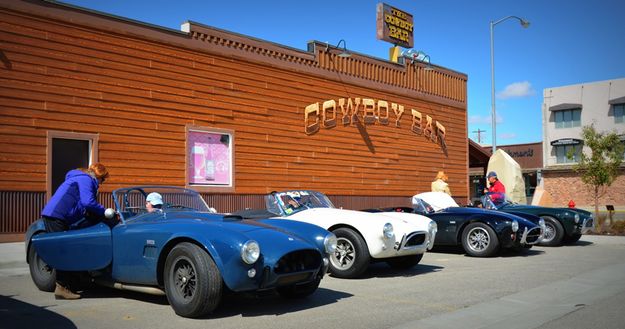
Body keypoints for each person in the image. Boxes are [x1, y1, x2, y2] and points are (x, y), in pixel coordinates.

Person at [40, 163, 110, 300]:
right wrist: (104, 211)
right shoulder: (86, 179)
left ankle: (69, 283)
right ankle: (62, 288)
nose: (102, 183)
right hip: (57, 216)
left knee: (63, 249)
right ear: (99, 175)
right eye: (103, 179)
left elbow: (80, 203)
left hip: (56, 215)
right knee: (64, 251)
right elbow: (87, 202)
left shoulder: (80, 177)